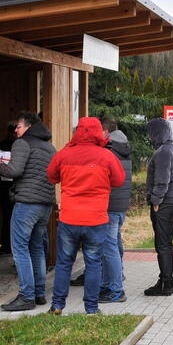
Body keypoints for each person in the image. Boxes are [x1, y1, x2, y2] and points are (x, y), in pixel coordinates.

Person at [47, 117, 125, 315]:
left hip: (69, 219)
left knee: (64, 263)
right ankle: (91, 308)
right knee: (93, 264)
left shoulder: (64, 154)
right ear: (98, 132)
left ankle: (57, 306)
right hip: (96, 220)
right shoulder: (106, 156)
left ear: (78, 132)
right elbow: (118, 180)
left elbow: (51, 176)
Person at [0, 112, 56, 311]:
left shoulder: (23, 143)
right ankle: (39, 294)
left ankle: (26, 296)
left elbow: (14, 171)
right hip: (45, 204)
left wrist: (0, 166)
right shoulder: (49, 146)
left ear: (29, 127)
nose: (16, 130)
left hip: (26, 203)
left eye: (19, 126)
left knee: (20, 248)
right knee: (37, 247)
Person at [144, 118, 173, 296]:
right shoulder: (172, 149)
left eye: (151, 133)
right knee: (165, 244)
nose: (149, 137)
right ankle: (165, 280)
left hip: (164, 204)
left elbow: (162, 181)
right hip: (171, 202)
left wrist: (156, 201)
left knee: (163, 245)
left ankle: (166, 284)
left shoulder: (163, 152)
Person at [0, 122, 17, 256]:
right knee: (7, 216)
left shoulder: (21, 146)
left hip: (15, 186)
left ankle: (11, 247)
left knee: (13, 217)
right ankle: (6, 245)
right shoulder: (3, 145)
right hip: (5, 187)